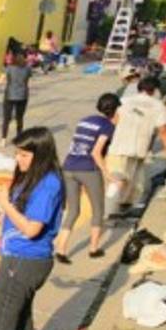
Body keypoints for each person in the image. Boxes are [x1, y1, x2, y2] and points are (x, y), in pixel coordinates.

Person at [0, 128, 64, 330]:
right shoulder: (39, 178)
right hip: (28, 260)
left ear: (40, 154)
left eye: (24, 154)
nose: (18, 159)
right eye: (17, 154)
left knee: (0, 323)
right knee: (21, 320)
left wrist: (5, 205)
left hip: (23, 261)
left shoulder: (48, 184)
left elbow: (32, 229)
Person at [54, 93, 120, 263]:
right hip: (88, 169)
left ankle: (60, 249)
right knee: (98, 210)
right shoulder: (107, 126)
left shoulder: (84, 120)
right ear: (115, 110)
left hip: (69, 166)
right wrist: (108, 175)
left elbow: (77, 144)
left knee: (73, 210)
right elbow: (96, 152)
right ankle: (93, 248)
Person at [104, 77, 166, 219]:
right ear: (155, 91)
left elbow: (112, 122)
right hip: (139, 149)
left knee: (116, 180)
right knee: (134, 185)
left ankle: (108, 214)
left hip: (118, 147)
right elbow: (164, 132)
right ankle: (121, 213)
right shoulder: (157, 105)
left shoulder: (123, 102)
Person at [0, 55, 32, 146]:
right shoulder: (27, 69)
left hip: (9, 95)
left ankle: (3, 139)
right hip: (23, 96)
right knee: (19, 118)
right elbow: (28, 80)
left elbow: (0, 81)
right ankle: (19, 138)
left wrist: (5, 82)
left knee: (6, 118)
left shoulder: (9, 68)